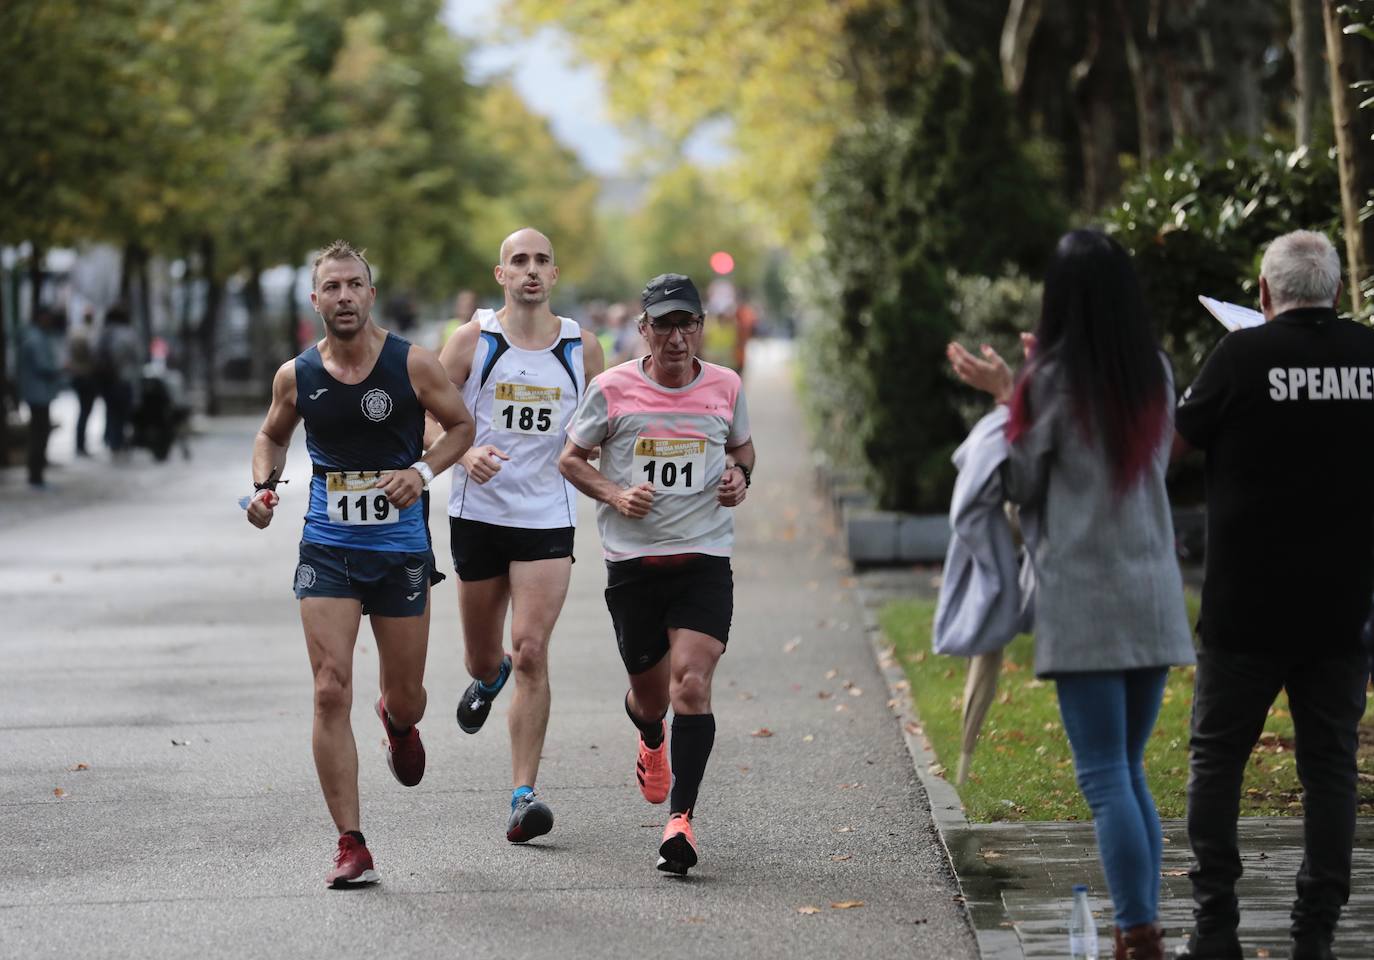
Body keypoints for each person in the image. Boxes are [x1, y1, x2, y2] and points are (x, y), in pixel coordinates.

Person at [947, 229, 1194, 960]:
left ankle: (1139, 934)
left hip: (1085, 597)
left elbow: (1022, 484)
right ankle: (1141, 927)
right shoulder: (1154, 367)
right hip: (1153, 590)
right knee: (1130, 769)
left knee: (1105, 775)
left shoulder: (1048, 379)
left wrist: (1006, 396)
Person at [246, 239, 475, 888]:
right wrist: (266, 487)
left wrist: (422, 472)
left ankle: (398, 723)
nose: (343, 296)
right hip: (328, 547)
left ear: (371, 295)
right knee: (328, 689)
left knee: (406, 696)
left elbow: (460, 427)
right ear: (315, 299)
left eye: (354, 285)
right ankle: (351, 842)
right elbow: (271, 435)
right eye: (331, 287)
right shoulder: (297, 375)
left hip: (400, 550)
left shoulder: (413, 365)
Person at [1172, 230, 1374, 960]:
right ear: (1339, 292)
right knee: (1330, 768)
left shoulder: (1240, 356)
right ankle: (1315, 934)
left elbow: (1173, 444)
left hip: (1244, 607)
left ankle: (1215, 928)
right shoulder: (1367, 357)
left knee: (1218, 760)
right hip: (1341, 605)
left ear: (1263, 294)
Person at [559, 272, 754, 876]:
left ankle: (682, 821)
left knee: (690, 685)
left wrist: (740, 478)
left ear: (701, 326)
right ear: (642, 329)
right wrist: (615, 495)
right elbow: (570, 458)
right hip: (634, 567)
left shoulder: (725, 385)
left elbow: (743, 451)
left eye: (686, 323)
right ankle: (650, 738)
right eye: (663, 324)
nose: (676, 337)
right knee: (651, 700)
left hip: (702, 560)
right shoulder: (611, 388)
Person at [431, 227, 604, 843]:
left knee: (532, 650)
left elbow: (602, 426)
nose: (530, 270)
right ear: (500, 274)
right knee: (489, 656)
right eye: (518, 261)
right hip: (479, 515)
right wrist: (465, 449)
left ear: (555, 275)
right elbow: (430, 410)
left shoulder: (582, 347)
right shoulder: (474, 340)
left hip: (546, 518)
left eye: (541, 261)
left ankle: (522, 796)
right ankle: (485, 674)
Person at [19, 308, 64, 489]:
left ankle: (37, 474)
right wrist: (60, 369)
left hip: (38, 393)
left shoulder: (36, 337)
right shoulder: (35, 339)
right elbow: (43, 365)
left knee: (40, 433)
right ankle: (36, 475)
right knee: (39, 434)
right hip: (38, 394)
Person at [97, 305, 141, 457]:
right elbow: (136, 356)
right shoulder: (128, 334)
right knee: (122, 412)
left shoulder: (104, 333)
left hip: (106, 379)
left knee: (111, 410)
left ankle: (111, 439)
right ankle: (118, 441)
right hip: (123, 378)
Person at [66, 308, 100, 457]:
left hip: (78, 375)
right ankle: (80, 444)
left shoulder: (75, 332)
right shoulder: (89, 334)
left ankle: (80, 444)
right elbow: (92, 355)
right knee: (85, 411)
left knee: (83, 411)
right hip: (86, 375)